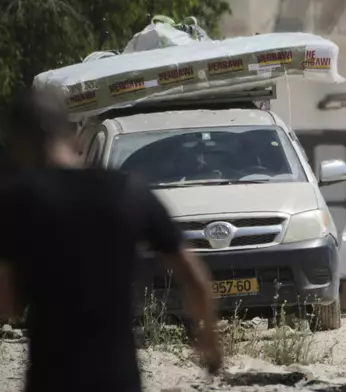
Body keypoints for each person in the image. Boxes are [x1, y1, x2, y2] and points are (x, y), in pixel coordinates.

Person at [0, 88, 222, 392]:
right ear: (76, 136)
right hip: (117, 376)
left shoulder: (16, 203)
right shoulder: (127, 190)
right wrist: (208, 339)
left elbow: (8, 302)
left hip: (51, 377)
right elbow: (194, 276)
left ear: (16, 146)